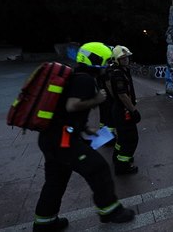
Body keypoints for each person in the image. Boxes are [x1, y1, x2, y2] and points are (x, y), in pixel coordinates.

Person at [33, 42, 135, 231]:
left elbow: (65, 111)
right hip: (62, 140)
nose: (107, 65)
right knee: (98, 168)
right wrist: (97, 100)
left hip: (50, 138)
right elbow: (72, 106)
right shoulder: (85, 80)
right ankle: (110, 211)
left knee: (55, 181)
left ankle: (44, 223)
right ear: (95, 61)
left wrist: (85, 128)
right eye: (105, 61)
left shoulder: (75, 76)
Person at [106, 45, 141, 175]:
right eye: (123, 58)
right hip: (124, 111)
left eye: (127, 57)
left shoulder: (118, 70)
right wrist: (133, 111)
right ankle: (123, 166)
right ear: (117, 60)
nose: (126, 60)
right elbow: (122, 94)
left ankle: (118, 157)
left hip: (119, 109)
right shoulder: (118, 74)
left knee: (122, 138)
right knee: (131, 139)